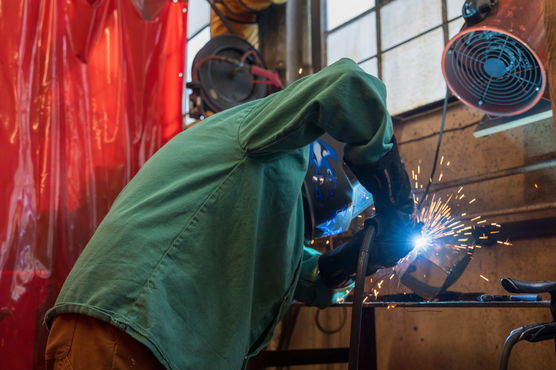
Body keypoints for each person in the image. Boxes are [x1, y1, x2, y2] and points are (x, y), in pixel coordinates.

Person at [44, 58, 414, 369]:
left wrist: (341, 265)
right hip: (126, 330)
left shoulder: (263, 205)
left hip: (152, 342)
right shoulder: (266, 140)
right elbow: (345, 84)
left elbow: (301, 274)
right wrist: (395, 197)